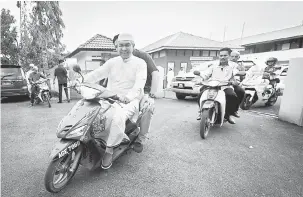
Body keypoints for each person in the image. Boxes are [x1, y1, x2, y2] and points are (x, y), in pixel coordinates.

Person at [82, 33, 147, 169]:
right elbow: (97, 74)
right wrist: (82, 81)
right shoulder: (112, 62)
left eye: (127, 45)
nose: (124, 48)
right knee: (89, 110)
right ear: (116, 47)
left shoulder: (140, 63)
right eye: (121, 45)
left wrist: (128, 97)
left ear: (133, 46)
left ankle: (109, 150)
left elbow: (139, 84)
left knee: (117, 117)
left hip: (129, 101)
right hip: (109, 97)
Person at [113, 34, 159, 152]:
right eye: (118, 46)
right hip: (122, 93)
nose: (122, 49)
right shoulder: (116, 60)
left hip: (144, 92)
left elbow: (155, 74)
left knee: (148, 108)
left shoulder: (143, 56)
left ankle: (141, 139)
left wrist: (151, 94)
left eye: (125, 45)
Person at [196, 47, 240, 124]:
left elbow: (236, 76)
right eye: (221, 55)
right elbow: (206, 75)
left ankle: (228, 114)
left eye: (225, 55)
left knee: (232, 96)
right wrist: (200, 74)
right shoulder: (213, 65)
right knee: (201, 94)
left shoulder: (234, 66)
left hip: (225, 86)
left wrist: (235, 81)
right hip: (212, 85)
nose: (222, 57)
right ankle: (201, 111)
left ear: (229, 56)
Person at [229, 50, 245, 118]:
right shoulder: (225, 63)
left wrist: (241, 71)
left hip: (233, 83)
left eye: (236, 56)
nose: (233, 58)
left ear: (239, 57)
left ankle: (234, 110)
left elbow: (243, 76)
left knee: (240, 91)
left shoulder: (240, 65)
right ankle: (202, 111)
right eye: (232, 56)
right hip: (221, 82)